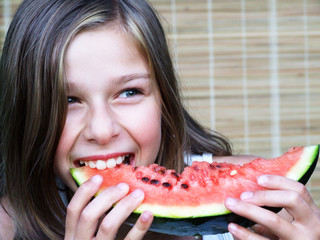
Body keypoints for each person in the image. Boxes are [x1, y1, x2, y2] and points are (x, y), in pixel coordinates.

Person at [0, 0, 319, 239]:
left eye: (128, 92)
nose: (102, 130)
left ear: (164, 98)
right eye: (68, 100)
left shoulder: (259, 210)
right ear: (27, 111)